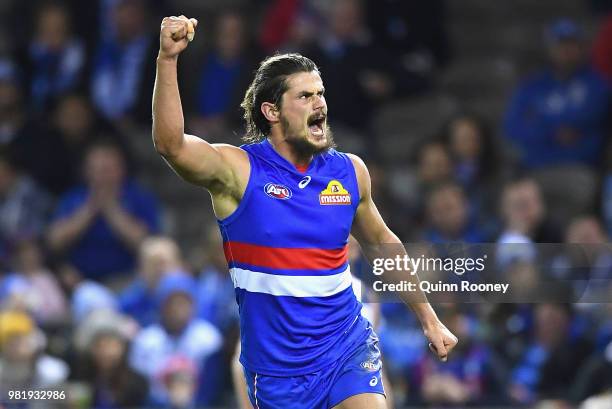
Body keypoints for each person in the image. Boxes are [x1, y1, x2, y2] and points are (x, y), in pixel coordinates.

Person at [152, 15, 457, 409]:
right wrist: (167, 59)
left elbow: (382, 243)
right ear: (272, 111)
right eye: (305, 96)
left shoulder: (350, 172)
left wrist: (429, 319)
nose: (320, 103)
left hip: (345, 345)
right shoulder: (238, 172)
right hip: (278, 371)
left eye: (320, 93)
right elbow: (171, 145)